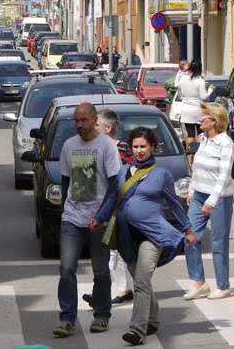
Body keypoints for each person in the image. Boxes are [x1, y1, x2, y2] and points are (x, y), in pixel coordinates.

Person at [92, 127, 198, 345]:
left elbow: (174, 204)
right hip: (126, 236)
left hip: (152, 236)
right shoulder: (123, 171)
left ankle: (137, 330)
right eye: (136, 146)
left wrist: (188, 229)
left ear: (152, 147)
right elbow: (113, 198)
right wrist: (98, 218)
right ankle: (152, 319)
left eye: (143, 146)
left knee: (140, 282)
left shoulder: (162, 174)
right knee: (143, 283)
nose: (139, 151)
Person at [52, 102, 122, 338]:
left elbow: (114, 185)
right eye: (76, 121)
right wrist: (66, 210)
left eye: (84, 120)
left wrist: (101, 216)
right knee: (67, 268)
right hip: (72, 219)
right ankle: (67, 319)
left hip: (98, 222)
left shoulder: (106, 147)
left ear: (94, 120)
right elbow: (65, 181)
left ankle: (101, 315)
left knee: (101, 271)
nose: (79, 125)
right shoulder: (69, 146)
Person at [184, 102, 234, 301]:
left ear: (214, 121)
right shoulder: (203, 139)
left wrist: (212, 200)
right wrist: (192, 190)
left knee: (218, 242)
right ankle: (199, 283)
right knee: (190, 238)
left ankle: (223, 286)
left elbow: (224, 175)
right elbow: (197, 169)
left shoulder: (225, 143)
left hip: (219, 198)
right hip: (199, 195)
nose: (199, 121)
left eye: (203, 118)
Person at [83, 110, 134, 308]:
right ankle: (122, 288)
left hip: (119, 205)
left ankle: (117, 290)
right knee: (112, 250)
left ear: (108, 128)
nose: (93, 129)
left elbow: (131, 175)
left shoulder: (124, 148)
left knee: (115, 250)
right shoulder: (94, 148)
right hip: (101, 205)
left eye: (97, 125)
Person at [176, 60, 216, 142]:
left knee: (190, 134)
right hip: (198, 109)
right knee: (200, 133)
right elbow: (204, 97)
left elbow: (180, 95)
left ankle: (190, 154)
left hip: (186, 110)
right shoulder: (200, 80)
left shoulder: (182, 79)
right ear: (200, 69)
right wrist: (210, 90)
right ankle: (199, 152)